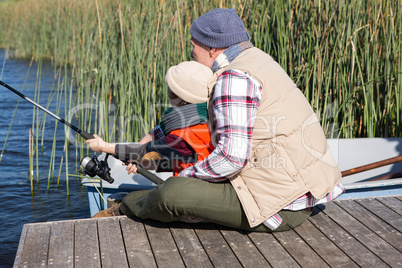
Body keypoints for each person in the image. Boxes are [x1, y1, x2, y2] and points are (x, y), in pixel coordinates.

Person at [92, 8, 344, 232]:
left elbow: (233, 158)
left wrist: (187, 178)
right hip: (300, 190)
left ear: (212, 48)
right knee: (183, 183)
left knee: (174, 192)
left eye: (193, 46)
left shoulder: (233, 78)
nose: (191, 52)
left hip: (279, 205)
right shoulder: (259, 59)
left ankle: (123, 207)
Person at [86, 61, 214, 181]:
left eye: (172, 93)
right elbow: (184, 160)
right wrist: (145, 163)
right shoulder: (206, 118)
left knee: (130, 202)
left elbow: (143, 150)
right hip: (193, 182)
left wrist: (103, 146)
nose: (168, 94)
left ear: (185, 100)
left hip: (194, 187)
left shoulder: (184, 133)